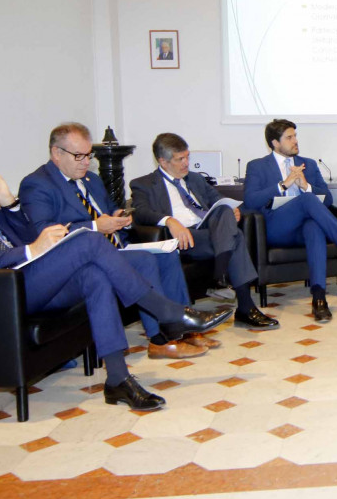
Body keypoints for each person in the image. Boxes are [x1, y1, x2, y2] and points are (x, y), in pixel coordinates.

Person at [0, 122, 231, 412]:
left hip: (21, 280)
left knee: (94, 275)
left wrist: (8, 202)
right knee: (87, 241)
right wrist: (29, 250)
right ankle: (169, 312)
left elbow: (23, 235)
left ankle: (118, 378)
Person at [20, 123, 209, 360]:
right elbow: (44, 232)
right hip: (82, 262)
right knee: (145, 260)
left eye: (89, 155)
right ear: (56, 153)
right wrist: (95, 226)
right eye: (79, 156)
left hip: (118, 247)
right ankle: (159, 340)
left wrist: (121, 218)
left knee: (168, 253)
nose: (86, 162)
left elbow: (110, 209)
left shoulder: (91, 179)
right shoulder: (38, 184)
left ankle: (184, 330)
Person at [129, 132, 280, 332]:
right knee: (236, 237)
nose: (186, 163)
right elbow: (140, 212)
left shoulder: (195, 179)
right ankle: (243, 305)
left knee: (225, 211)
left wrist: (232, 210)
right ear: (163, 161)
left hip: (209, 231)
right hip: (183, 237)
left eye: (187, 157)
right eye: (180, 159)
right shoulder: (144, 184)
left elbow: (217, 199)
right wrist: (169, 221)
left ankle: (221, 276)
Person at [243, 119, 337, 322]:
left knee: (314, 227)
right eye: (289, 137)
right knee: (307, 200)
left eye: (295, 136)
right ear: (275, 143)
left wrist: (306, 186)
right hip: (275, 227)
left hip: (302, 229)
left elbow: (328, 199)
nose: (295, 141)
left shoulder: (308, 164)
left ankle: (319, 299)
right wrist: (283, 185)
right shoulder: (257, 166)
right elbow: (250, 200)